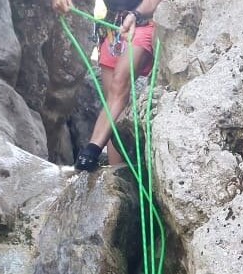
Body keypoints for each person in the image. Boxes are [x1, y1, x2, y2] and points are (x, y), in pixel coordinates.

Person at [51, 0, 163, 170]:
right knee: (112, 102)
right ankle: (115, 173)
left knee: (119, 84)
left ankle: (92, 149)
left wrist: (136, 14)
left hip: (144, 24)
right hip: (113, 29)